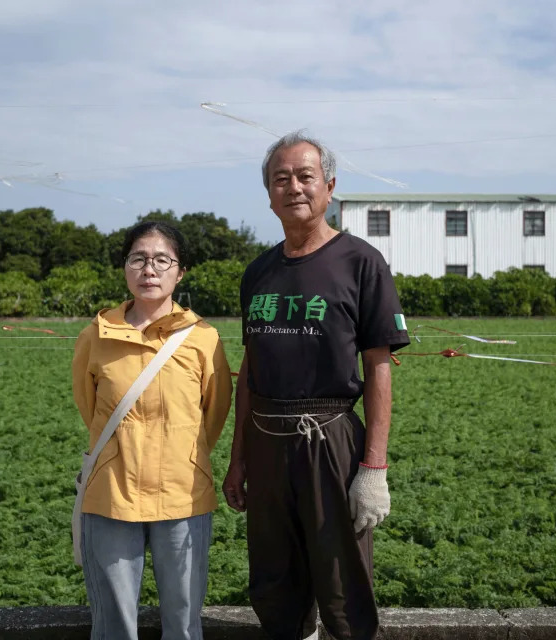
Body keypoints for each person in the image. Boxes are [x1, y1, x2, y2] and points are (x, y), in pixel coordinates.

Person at [222, 131, 411, 640]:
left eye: (305, 176)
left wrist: (374, 467)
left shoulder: (360, 262)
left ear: (329, 186)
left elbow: (378, 367)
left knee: (342, 580)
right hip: (266, 438)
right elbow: (251, 368)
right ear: (268, 193)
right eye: (280, 178)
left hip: (329, 439)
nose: (294, 187)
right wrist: (239, 457)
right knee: (274, 579)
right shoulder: (258, 271)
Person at [72, 220, 233, 640]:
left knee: (182, 624)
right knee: (113, 626)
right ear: (124, 268)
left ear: (180, 272)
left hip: (183, 494)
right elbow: (89, 410)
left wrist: (179, 454)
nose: (149, 269)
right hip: (111, 494)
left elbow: (213, 415)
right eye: (138, 259)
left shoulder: (203, 339)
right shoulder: (95, 336)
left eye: (162, 260)